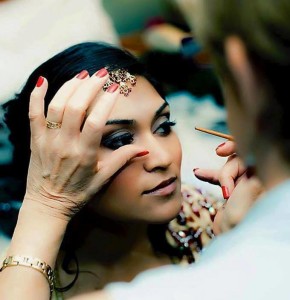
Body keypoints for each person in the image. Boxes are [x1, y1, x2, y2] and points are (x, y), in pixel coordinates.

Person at [0, 41, 230, 299]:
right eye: (119, 140)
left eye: (164, 126)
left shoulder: (203, 214)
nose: (163, 158)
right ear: (55, 165)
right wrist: (48, 203)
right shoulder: (23, 279)